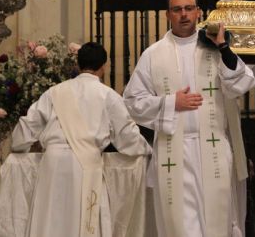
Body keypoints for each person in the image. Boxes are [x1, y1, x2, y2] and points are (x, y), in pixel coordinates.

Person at [123, 0, 255, 237]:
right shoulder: (153, 54)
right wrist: (170, 102)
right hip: (173, 150)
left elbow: (241, 83)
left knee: (217, 221)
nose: (184, 14)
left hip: (213, 147)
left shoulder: (215, 48)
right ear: (168, 15)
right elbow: (132, 102)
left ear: (199, 12)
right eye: (177, 10)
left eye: (189, 8)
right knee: (181, 225)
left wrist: (224, 48)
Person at [11, 42, 152, 237]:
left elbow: (27, 126)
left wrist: (18, 146)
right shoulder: (108, 96)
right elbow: (127, 136)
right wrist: (147, 150)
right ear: (104, 66)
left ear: (77, 65)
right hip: (86, 165)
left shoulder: (54, 92)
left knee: (51, 219)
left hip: (52, 164)